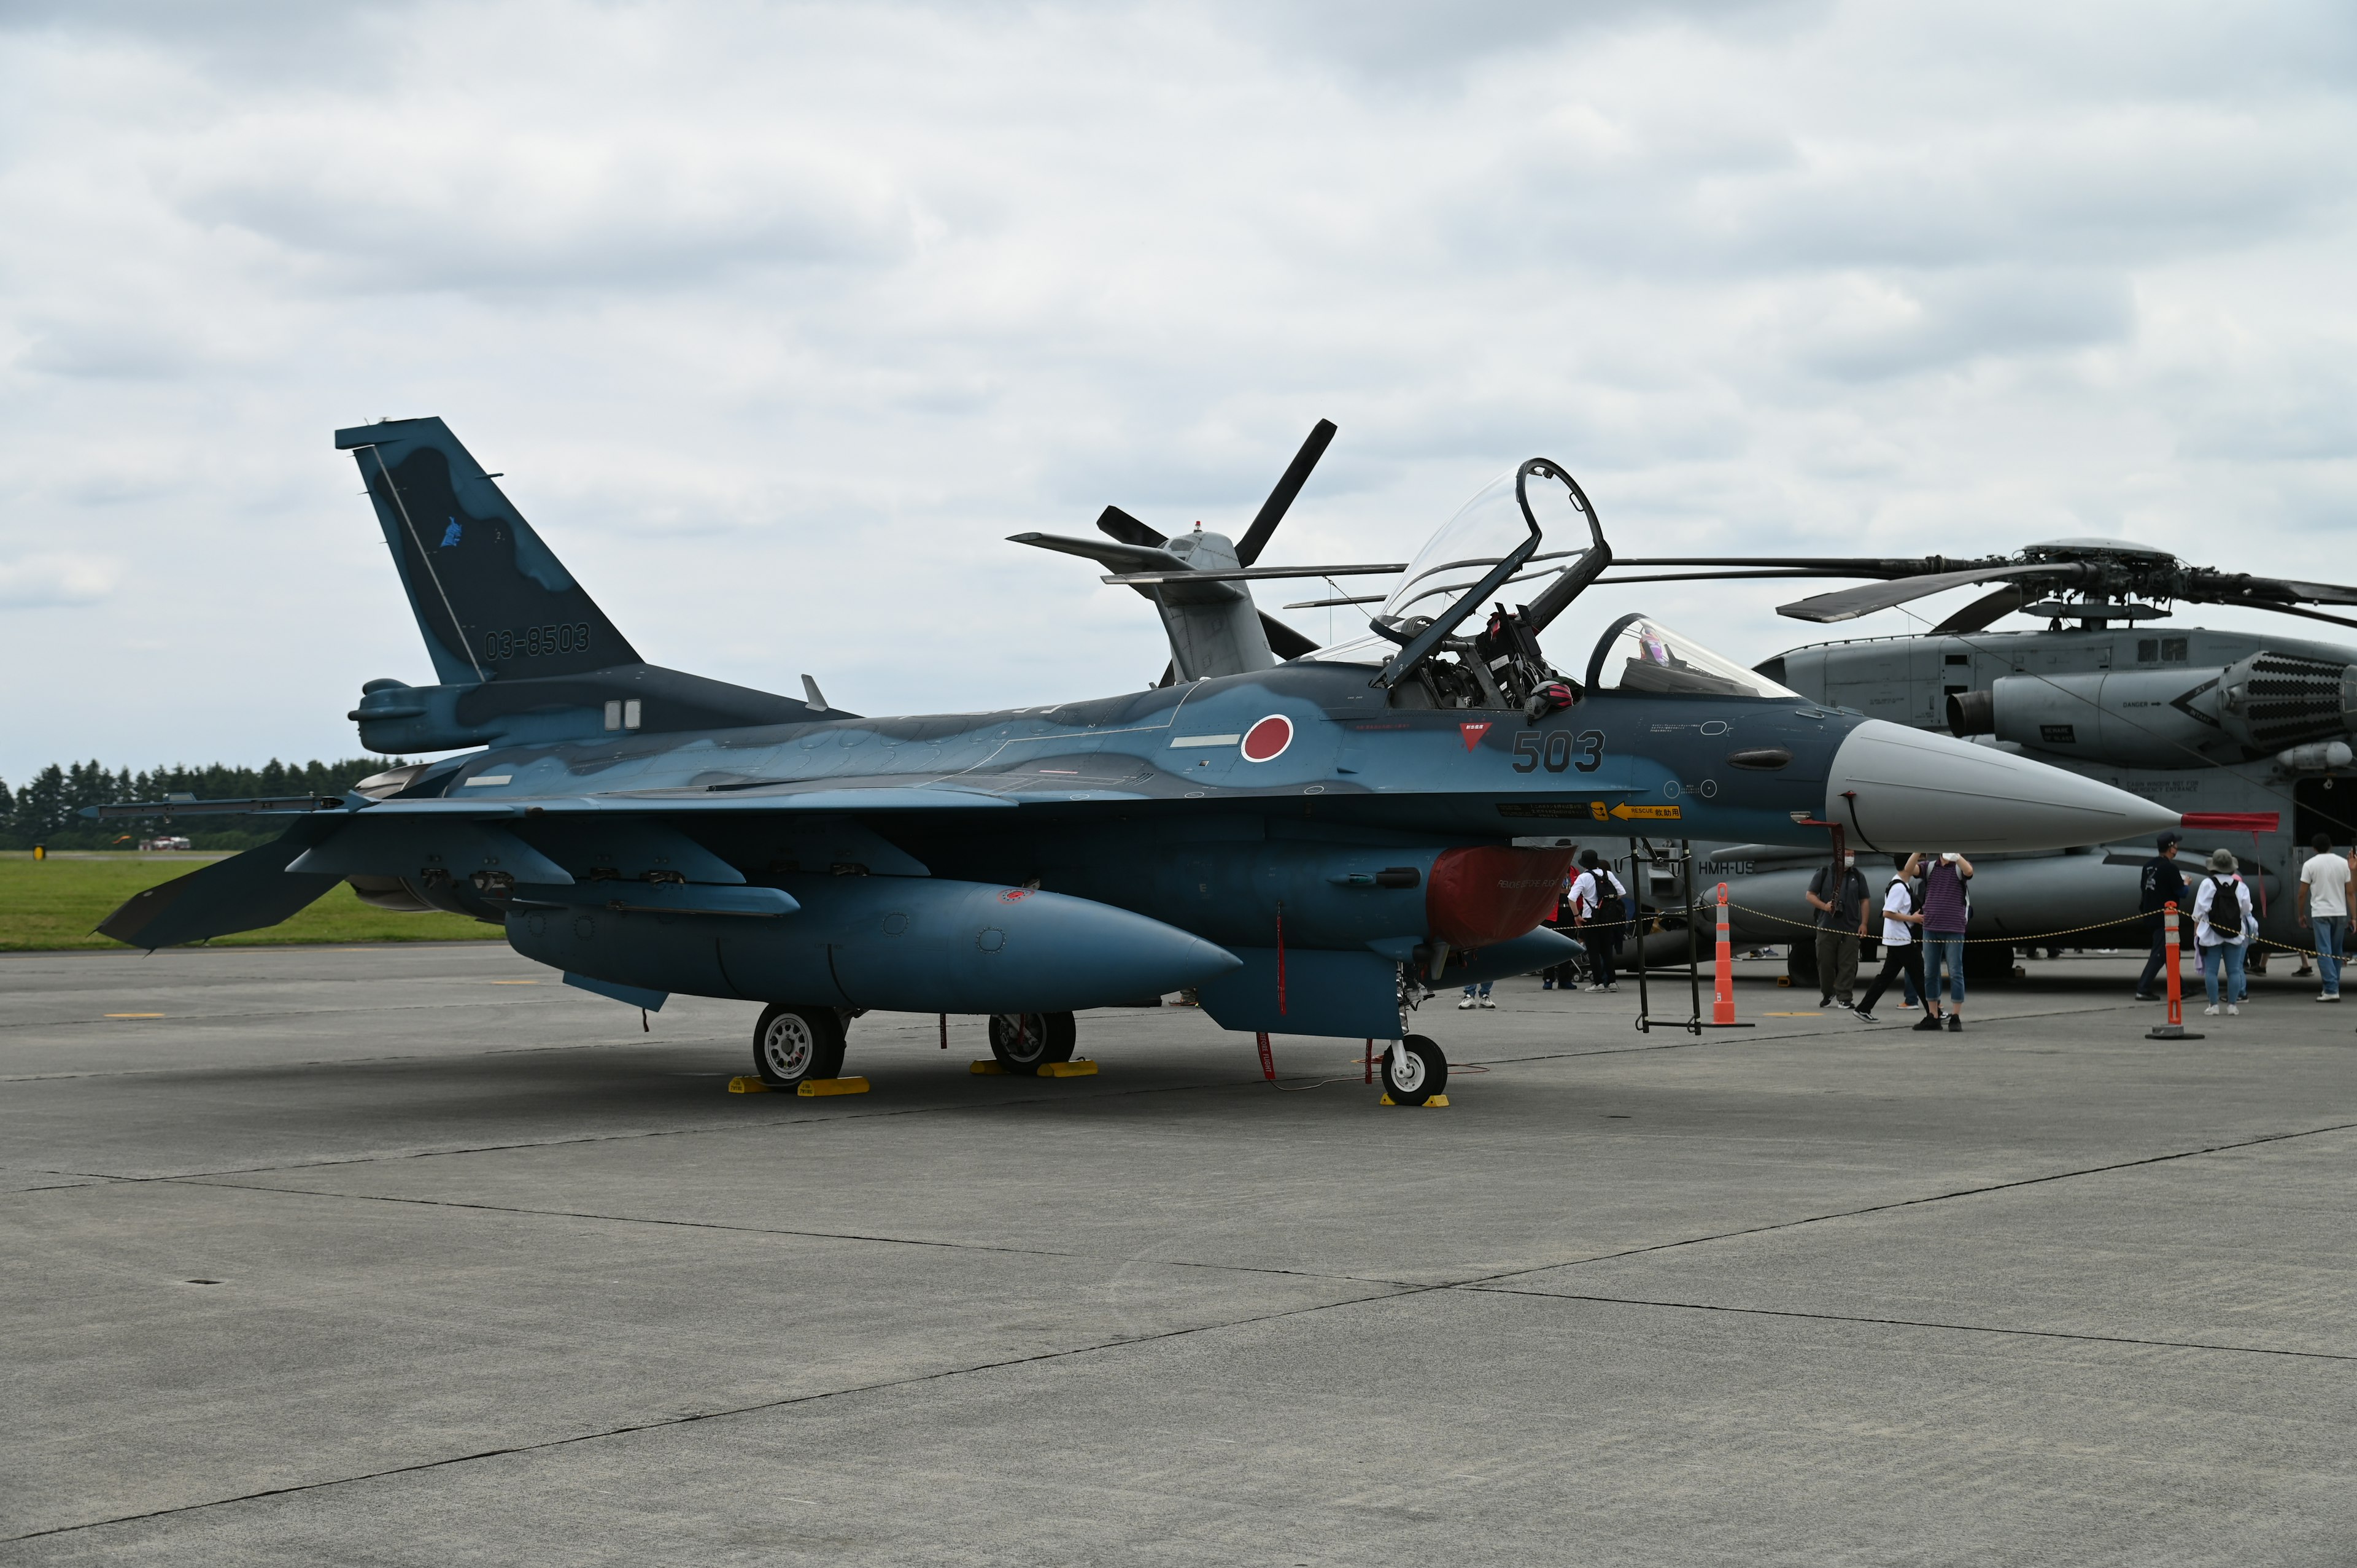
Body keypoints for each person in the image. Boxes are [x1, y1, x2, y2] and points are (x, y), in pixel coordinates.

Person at [1852, 853, 1942, 1030]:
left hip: (1898, 939)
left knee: (1887, 977)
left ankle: (1863, 1008)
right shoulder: (1899, 888)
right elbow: (1888, 912)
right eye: (1916, 861)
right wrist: (1913, 919)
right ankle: (1935, 1012)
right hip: (1901, 939)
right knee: (1919, 976)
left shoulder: (1901, 884)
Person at [1805, 850, 1871, 1010]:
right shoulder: (1824, 873)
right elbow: (1810, 895)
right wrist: (1825, 907)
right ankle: (1828, 993)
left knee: (1848, 965)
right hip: (1827, 926)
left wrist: (1864, 923)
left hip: (1849, 928)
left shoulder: (1858, 876)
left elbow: (1864, 900)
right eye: (1846, 854)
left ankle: (1845, 997)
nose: (1850, 857)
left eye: (1852, 854)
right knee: (1825, 963)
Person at [2193, 847, 2254, 1016]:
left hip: (2211, 934)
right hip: (2234, 933)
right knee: (2234, 970)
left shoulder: (2207, 884)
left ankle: (2213, 1006)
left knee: (2212, 971)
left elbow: (2199, 911)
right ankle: (2232, 1006)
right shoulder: (2240, 886)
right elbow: (2246, 909)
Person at [1919, 850, 1973, 1031]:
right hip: (1931, 928)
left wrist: (1957, 857)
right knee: (1930, 972)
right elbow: (1910, 870)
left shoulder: (1958, 867)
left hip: (1954, 928)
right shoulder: (1930, 867)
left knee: (1955, 971)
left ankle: (1956, 1016)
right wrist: (1917, 850)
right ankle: (1933, 1015)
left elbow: (1969, 872)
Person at [2297, 832, 2351, 1002]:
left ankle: (2330, 989)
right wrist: (2354, 917)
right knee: (2336, 951)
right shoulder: (2344, 863)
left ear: (2314, 849)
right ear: (2331, 846)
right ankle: (2334, 986)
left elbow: (2302, 894)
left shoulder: (2309, 865)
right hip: (2340, 912)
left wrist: (2301, 915)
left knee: (2324, 952)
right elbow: (2350, 892)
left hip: (2321, 912)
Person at [2134, 830, 2186, 1000]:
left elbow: (2144, 889)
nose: (2177, 848)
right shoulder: (2170, 868)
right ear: (2171, 848)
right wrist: (2186, 883)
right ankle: (2143, 989)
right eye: (2176, 845)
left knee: (2170, 954)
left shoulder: (2148, 866)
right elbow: (2182, 892)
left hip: (2151, 914)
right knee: (2159, 955)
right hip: (2166, 918)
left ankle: (2181, 988)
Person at [1571, 851, 1627, 992]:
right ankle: (1613, 983)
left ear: (1585, 865)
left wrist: (1577, 915)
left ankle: (1598, 984)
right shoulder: (1608, 875)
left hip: (1589, 918)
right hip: (1607, 919)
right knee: (1607, 951)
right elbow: (1621, 893)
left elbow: (1571, 898)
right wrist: (1608, 905)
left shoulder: (1583, 878)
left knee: (1594, 952)